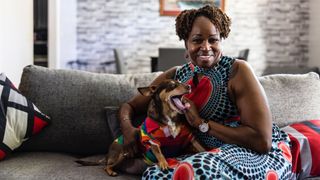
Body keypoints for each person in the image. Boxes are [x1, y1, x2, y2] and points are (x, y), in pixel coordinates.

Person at [118, 5, 292, 179]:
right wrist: (128, 130)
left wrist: (201, 123)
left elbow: (262, 141)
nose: (206, 47)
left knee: (199, 169)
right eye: (197, 40)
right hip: (206, 155)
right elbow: (129, 106)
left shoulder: (237, 71)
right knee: (156, 174)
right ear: (186, 43)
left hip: (249, 154)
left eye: (213, 40)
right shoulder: (175, 76)